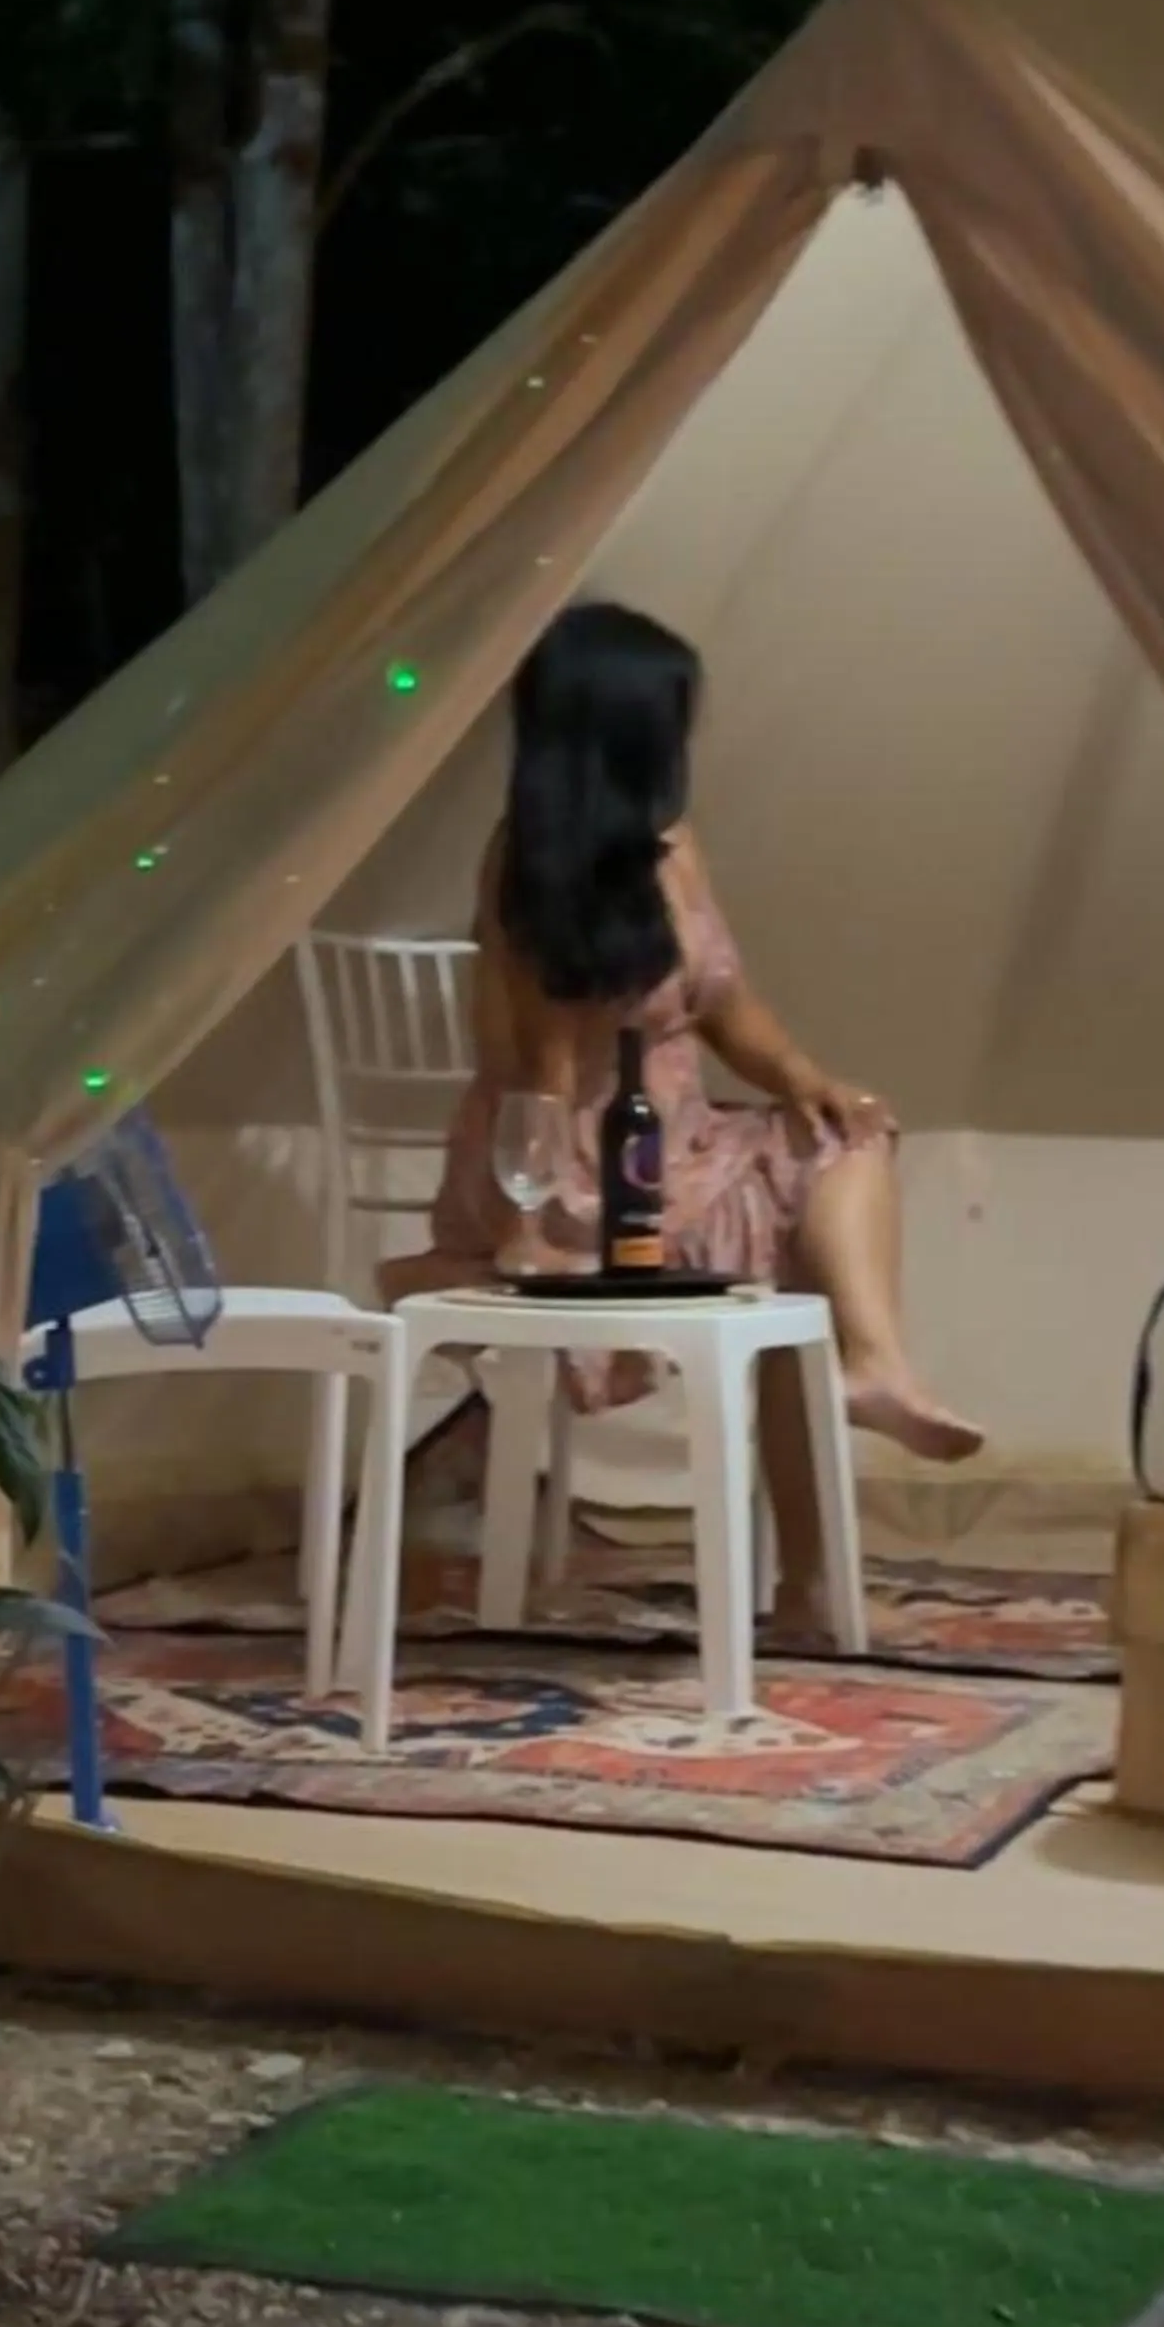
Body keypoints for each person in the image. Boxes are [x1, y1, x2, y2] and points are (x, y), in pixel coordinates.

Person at [394, 599, 984, 1645]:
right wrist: (531, 1215)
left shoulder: (674, 849)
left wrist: (809, 1075)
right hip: (570, 1153)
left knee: (847, 1140)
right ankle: (812, 1564)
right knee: (795, 1258)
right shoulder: (525, 863)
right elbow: (542, 1059)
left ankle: (876, 1363)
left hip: (681, 1135)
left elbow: (722, 1000)